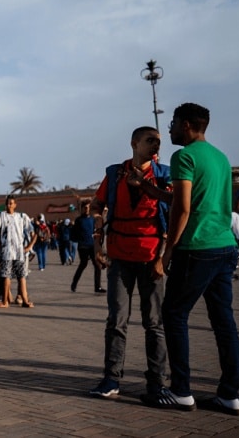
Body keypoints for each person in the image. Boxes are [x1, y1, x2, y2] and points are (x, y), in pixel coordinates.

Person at [143, 103, 239, 415]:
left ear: (186, 125)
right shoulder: (220, 158)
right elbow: (188, 199)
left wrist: (166, 252)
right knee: (224, 322)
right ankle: (230, 395)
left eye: (173, 123)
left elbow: (183, 209)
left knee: (174, 315)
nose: (169, 129)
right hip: (224, 246)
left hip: (196, 248)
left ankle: (181, 391)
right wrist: (147, 188)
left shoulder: (183, 157)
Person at [87, 126, 172, 400]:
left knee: (154, 323)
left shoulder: (163, 175)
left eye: (158, 142)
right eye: (150, 141)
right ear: (134, 143)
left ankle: (157, 383)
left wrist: (163, 256)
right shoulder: (115, 174)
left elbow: (174, 209)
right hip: (120, 257)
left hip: (152, 258)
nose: (156, 146)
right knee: (116, 321)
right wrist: (98, 240)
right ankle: (111, 379)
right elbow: (96, 206)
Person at [0, 195, 36, 308]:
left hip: (19, 251)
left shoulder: (22, 216)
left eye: (11, 203)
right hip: (7, 251)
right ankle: (5, 301)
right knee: (6, 275)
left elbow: (32, 232)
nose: (9, 205)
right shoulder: (2, 216)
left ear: (15, 205)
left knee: (22, 276)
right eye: (7, 203)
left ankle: (25, 300)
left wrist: (29, 246)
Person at [71, 201, 105, 293]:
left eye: (88, 208)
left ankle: (97, 287)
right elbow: (73, 233)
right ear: (82, 208)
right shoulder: (78, 220)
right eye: (85, 207)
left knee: (97, 265)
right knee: (83, 264)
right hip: (83, 246)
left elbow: (95, 230)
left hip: (92, 245)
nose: (87, 209)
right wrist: (78, 240)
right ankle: (74, 284)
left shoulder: (92, 219)